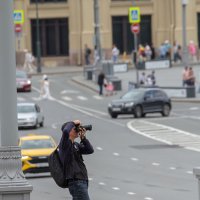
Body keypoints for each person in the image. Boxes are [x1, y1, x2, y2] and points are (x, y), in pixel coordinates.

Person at [58, 120, 94, 200]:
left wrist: (83, 138)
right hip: (76, 181)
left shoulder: (75, 145)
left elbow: (90, 150)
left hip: (82, 180)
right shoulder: (64, 145)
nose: (77, 130)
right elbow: (66, 130)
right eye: (75, 129)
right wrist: (73, 122)